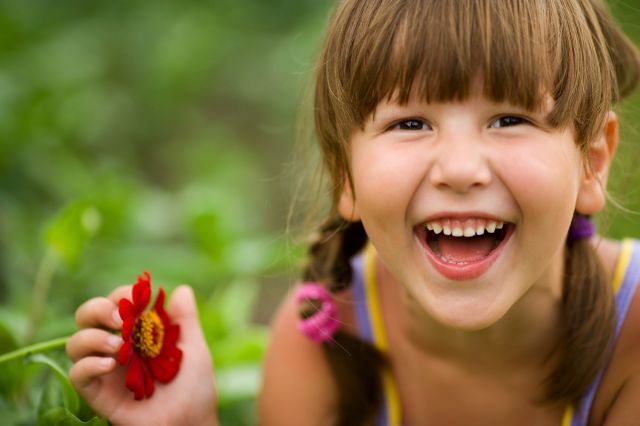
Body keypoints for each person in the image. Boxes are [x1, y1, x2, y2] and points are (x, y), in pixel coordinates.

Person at [66, 0, 640, 424]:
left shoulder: (631, 335)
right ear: (346, 176)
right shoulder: (322, 342)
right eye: (410, 123)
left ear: (592, 162)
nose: (461, 168)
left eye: (510, 119)